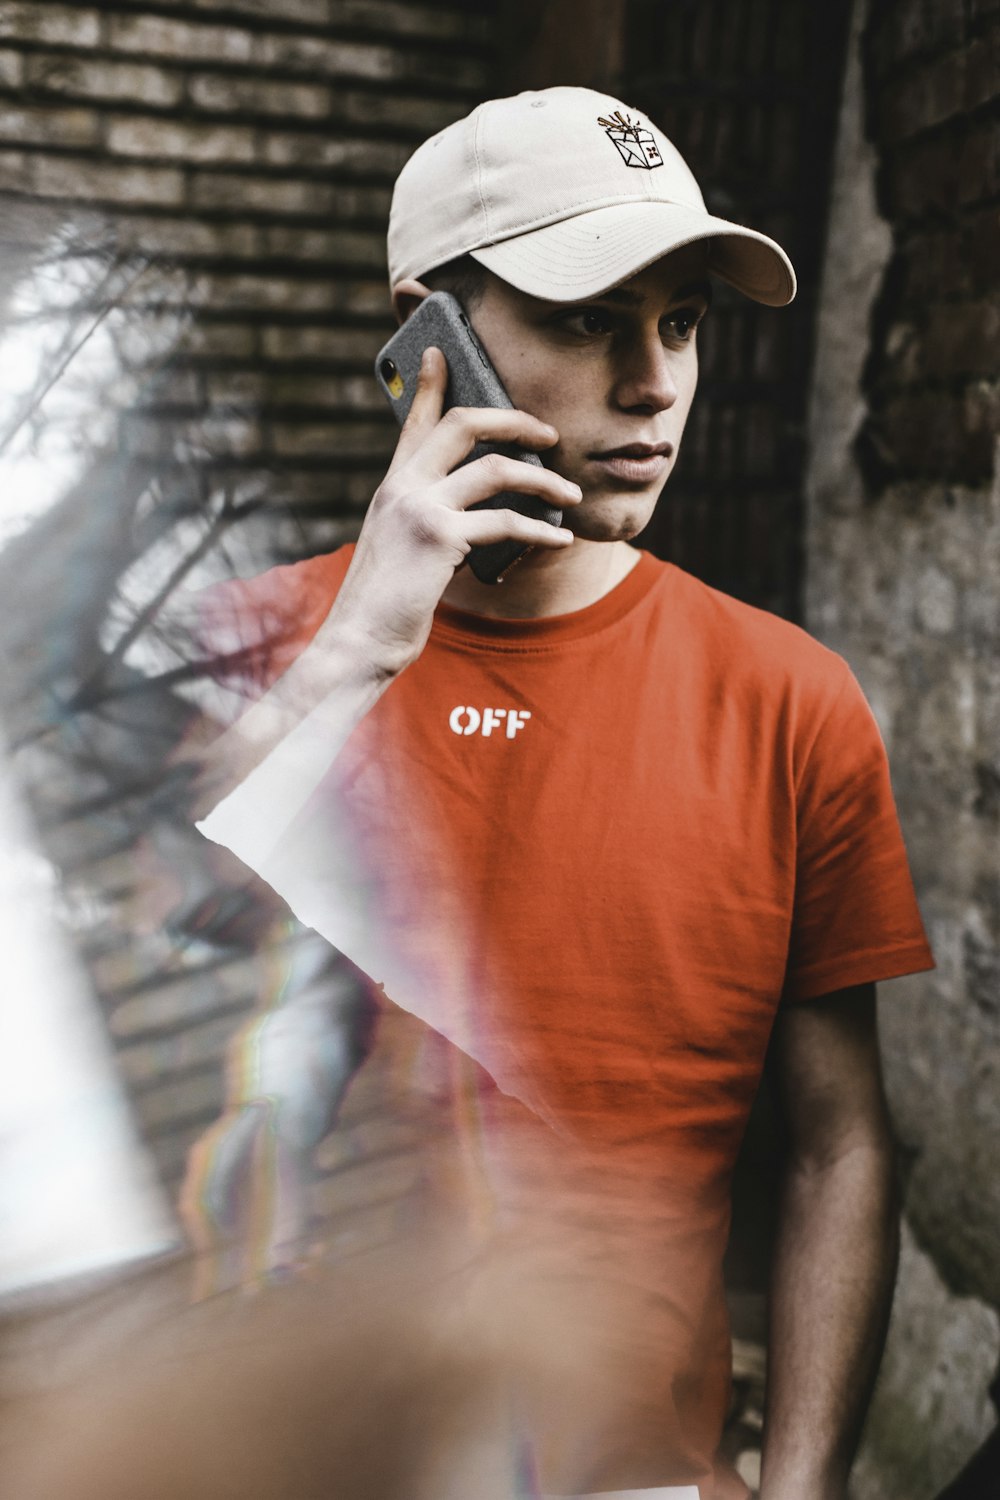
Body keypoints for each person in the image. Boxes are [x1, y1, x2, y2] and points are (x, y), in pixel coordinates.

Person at [186, 86, 935, 1500]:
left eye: (684, 321)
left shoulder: (790, 701)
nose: (654, 384)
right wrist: (360, 650)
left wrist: (806, 1481)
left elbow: (841, 1143)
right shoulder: (254, 653)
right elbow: (141, 980)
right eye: (591, 319)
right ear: (428, 344)